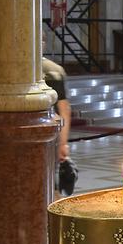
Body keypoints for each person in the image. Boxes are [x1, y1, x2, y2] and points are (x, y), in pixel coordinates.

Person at [42, 56, 75, 196]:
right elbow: (63, 110)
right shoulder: (53, 70)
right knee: (51, 182)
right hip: (51, 132)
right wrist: (62, 142)